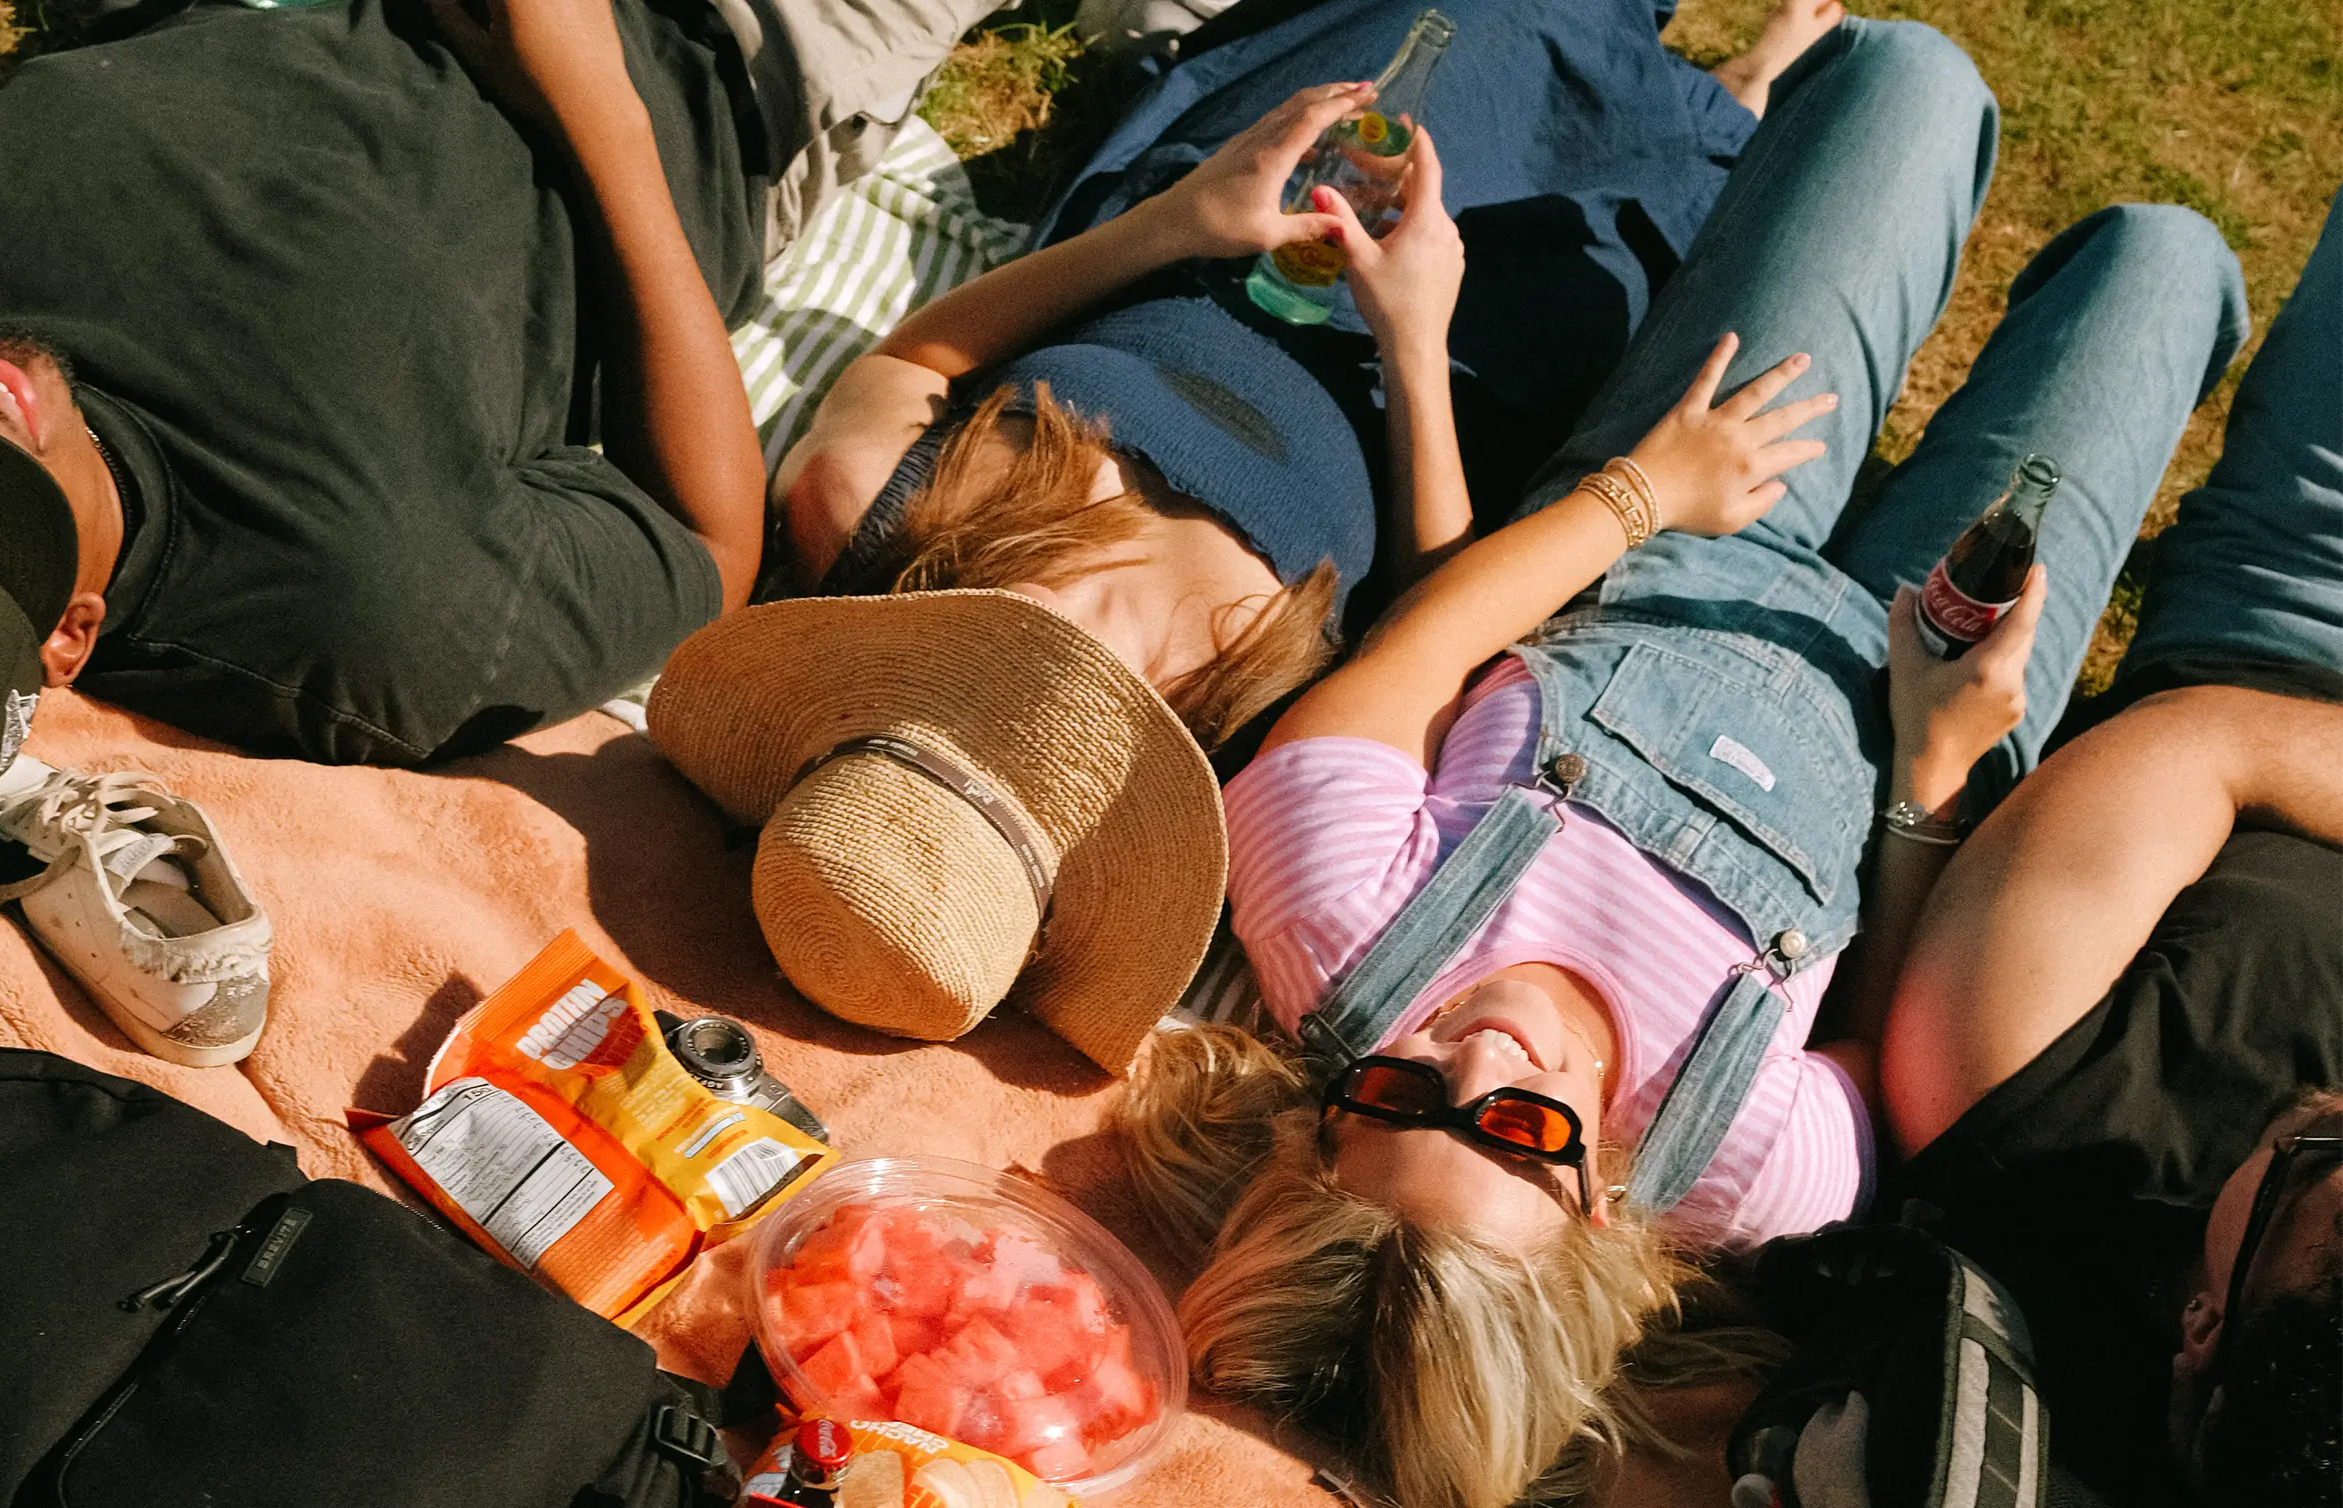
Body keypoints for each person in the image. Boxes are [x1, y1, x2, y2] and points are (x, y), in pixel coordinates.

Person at [1110, 16, 2251, 1508]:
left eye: (1397, 1099)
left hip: (1691, 525)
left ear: (1326, 1122)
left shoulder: (1333, 930)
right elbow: (1904, 1025)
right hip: (1925, 694)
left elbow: (1420, 646)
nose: (1477, 1057)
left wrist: (1650, 487)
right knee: (2164, 264)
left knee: (1912, 81)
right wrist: (1940, 768)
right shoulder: (1732, 1173)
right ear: (1598, 1220)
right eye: (1517, 1129)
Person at [0, 0, 991, 859]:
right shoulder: (361, 613)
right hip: (729, 69)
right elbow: (714, 544)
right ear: (70, 633)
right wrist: (592, 96)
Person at [774, 0, 1849, 751]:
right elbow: (1436, 619)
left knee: (1459, 30)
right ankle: (1740, 90)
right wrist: (1415, 337)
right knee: (1599, 217)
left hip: (1217, 236)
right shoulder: (1223, 733)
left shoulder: (873, 514)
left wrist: (1179, 217)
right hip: (1440, 364)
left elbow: (917, 355)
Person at [1857, 184, 2343, 1508]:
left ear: (2203, 1328)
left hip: (2299, 628)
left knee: (2158, 255)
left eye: (2322, 1153)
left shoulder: (2046, 1120)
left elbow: (2211, 745)